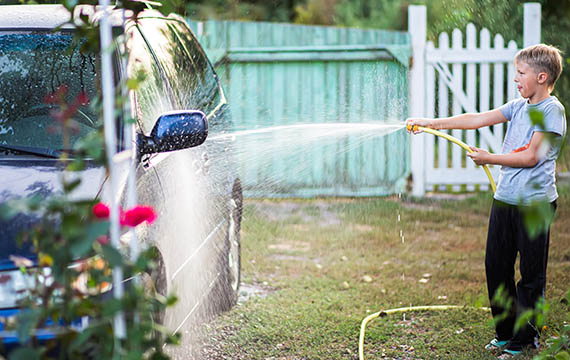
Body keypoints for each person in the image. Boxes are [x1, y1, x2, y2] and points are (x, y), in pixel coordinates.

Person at [406, 43, 566, 357]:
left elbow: (533, 156)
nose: (516, 79)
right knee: (496, 266)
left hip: (534, 204)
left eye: (521, 73)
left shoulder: (551, 110)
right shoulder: (519, 106)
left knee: (531, 275)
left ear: (542, 77)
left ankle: (525, 340)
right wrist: (430, 123)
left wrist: (489, 158)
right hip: (505, 199)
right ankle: (505, 334)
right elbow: (477, 119)